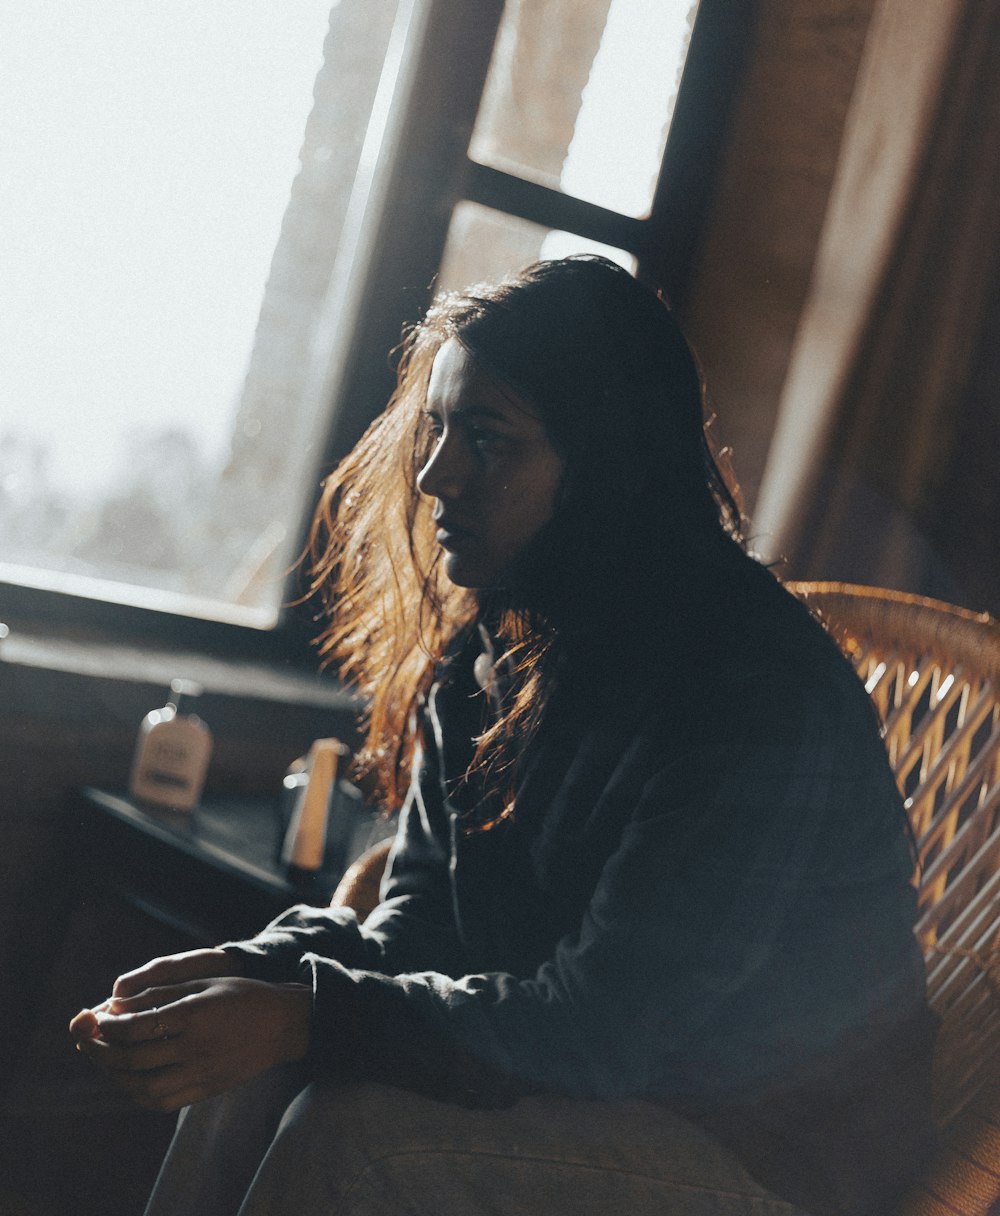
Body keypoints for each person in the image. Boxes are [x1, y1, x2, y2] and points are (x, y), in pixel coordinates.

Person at [70, 256, 937, 1216]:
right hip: (600, 1086)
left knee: (351, 1138)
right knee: (247, 1068)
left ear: (609, 464)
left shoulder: (752, 695)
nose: (437, 473)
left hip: (770, 1156)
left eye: (488, 439)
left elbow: (606, 1029)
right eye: (438, 429)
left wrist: (308, 1015)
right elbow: (424, 926)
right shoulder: (501, 647)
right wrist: (260, 973)